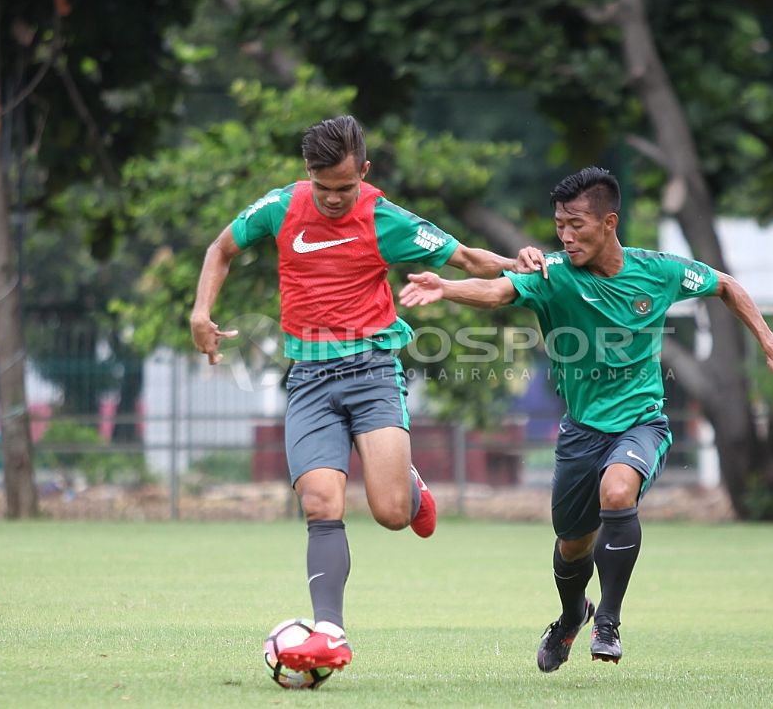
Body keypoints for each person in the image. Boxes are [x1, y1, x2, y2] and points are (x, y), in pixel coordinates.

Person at [399, 166, 773, 671]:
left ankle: (608, 621)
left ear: (609, 222)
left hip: (642, 422)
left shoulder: (658, 271)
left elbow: (726, 285)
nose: (565, 236)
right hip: (581, 431)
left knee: (617, 491)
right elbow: (500, 291)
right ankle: (573, 617)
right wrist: (447, 288)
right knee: (572, 546)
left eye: (577, 225)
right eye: (559, 225)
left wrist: (770, 342)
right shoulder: (555, 275)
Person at [189, 115, 546, 673]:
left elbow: (468, 259)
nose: (334, 200)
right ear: (308, 174)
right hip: (308, 382)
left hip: (373, 373)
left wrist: (522, 264)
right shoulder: (281, 207)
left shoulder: (383, 217)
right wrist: (200, 311)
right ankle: (330, 631)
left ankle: (404, 481)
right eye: (324, 187)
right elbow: (221, 249)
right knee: (320, 504)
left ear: (365, 173)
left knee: (391, 515)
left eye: (346, 188)